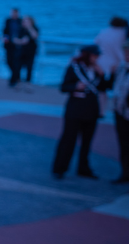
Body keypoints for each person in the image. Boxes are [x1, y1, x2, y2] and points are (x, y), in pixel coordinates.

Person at [51, 45, 111, 180]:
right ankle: (59, 168)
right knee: (68, 140)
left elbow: (104, 88)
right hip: (75, 110)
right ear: (87, 55)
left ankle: (83, 168)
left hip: (91, 110)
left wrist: (103, 75)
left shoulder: (97, 70)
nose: (97, 58)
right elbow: (64, 87)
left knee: (87, 142)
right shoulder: (74, 68)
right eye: (95, 55)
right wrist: (75, 87)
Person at [111, 41, 129, 184]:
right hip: (120, 112)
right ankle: (125, 173)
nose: (126, 55)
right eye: (125, 52)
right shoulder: (122, 68)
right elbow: (116, 87)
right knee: (123, 144)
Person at [3, 8, 25, 87]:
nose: (14, 14)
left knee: (16, 63)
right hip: (9, 45)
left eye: (15, 13)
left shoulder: (21, 21)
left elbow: (23, 32)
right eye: (12, 13)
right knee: (9, 61)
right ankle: (15, 76)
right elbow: (5, 31)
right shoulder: (8, 21)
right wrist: (5, 38)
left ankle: (14, 79)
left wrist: (21, 40)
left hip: (18, 45)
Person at [21, 16, 40, 84]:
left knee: (30, 68)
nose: (26, 23)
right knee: (19, 67)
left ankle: (28, 83)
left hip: (31, 52)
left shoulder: (34, 28)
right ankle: (18, 82)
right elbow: (15, 39)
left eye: (27, 21)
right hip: (21, 52)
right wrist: (21, 41)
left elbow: (35, 36)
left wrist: (29, 27)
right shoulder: (21, 29)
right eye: (25, 21)